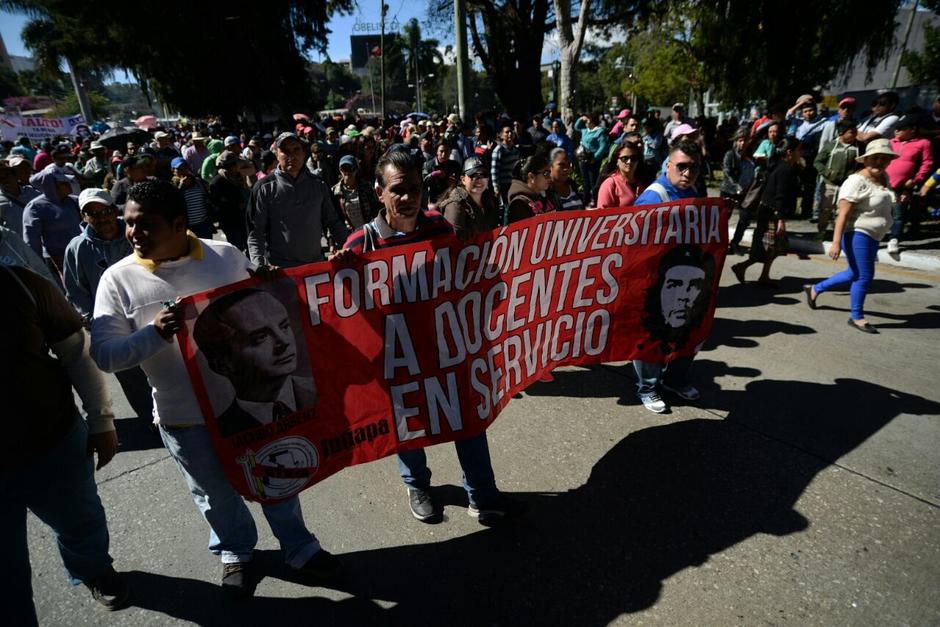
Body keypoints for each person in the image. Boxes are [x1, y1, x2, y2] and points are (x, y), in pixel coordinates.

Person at [89, 178, 339, 598]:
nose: (133, 234)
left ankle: (299, 547)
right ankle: (236, 551)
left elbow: (269, 307)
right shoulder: (117, 281)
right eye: (129, 223)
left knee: (278, 477)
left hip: (257, 412)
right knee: (213, 493)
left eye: (145, 225)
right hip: (183, 416)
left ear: (178, 223)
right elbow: (105, 355)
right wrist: (153, 335)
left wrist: (268, 281)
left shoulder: (225, 257)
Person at [337, 149, 523, 526]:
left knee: (467, 416)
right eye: (398, 190)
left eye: (415, 189)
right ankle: (417, 484)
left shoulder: (440, 229)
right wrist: (341, 276)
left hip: (445, 348)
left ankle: (481, 492)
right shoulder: (360, 245)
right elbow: (344, 311)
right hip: (397, 354)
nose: (408, 198)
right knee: (407, 426)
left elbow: (465, 279)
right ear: (379, 192)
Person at [2, 263, 127, 624]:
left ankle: (94, 570)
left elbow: (76, 352)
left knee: (80, 522)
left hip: (52, 443)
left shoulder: (21, 284)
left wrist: (102, 420)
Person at [63, 188, 154, 422]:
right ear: (84, 217)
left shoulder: (137, 231)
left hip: (150, 312)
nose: (101, 217)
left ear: (115, 210)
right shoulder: (77, 248)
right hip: (113, 325)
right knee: (131, 377)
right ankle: (152, 421)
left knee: (163, 366)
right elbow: (75, 291)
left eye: (104, 210)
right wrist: (95, 319)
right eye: (92, 213)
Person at [631, 138, 704, 414]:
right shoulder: (654, 197)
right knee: (654, 334)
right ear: (668, 165)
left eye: (694, 168)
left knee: (691, 330)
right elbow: (635, 243)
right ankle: (648, 387)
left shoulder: (691, 190)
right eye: (682, 167)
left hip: (688, 276)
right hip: (657, 282)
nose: (688, 173)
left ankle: (674, 380)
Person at [193, 287, 317, 438]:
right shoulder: (224, 431)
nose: (284, 341)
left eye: (284, 326)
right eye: (260, 337)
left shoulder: (325, 391)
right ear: (222, 364)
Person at [805, 139, 898, 333]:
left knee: (853, 273)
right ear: (865, 160)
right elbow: (843, 214)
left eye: (884, 158)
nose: (880, 162)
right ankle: (857, 317)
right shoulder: (856, 181)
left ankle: (815, 289)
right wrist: (836, 242)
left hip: (874, 235)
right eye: (875, 158)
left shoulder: (884, 178)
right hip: (857, 233)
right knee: (864, 276)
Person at [248, 132, 349, 268]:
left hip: (316, 266)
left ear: (303, 153)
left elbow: (334, 222)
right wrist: (260, 266)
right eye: (285, 151)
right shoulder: (263, 188)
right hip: (281, 271)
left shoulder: (319, 185)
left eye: (296, 149)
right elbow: (256, 233)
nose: (292, 156)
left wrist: (349, 248)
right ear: (276, 154)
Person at [731, 137, 802, 287]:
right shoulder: (785, 169)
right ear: (790, 152)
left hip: (766, 211)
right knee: (769, 245)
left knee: (771, 246)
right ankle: (743, 267)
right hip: (772, 213)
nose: (800, 153)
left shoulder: (778, 165)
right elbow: (780, 196)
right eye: (798, 150)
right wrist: (781, 220)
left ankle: (763, 275)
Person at [642, 244, 716, 354]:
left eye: (694, 285)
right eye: (674, 285)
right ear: (659, 289)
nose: (682, 296)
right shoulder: (642, 339)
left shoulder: (696, 335)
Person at [22, 164, 82, 278]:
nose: (68, 184)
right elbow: (32, 242)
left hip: (81, 254)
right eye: (63, 183)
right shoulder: (35, 207)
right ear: (52, 186)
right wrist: (37, 268)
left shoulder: (73, 201)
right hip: (58, 260)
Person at [885, 116, 933, 255]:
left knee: (899, 214)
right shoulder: (889, 142)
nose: (897, 131)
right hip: (884, 183)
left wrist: (915, 180)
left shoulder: (923, 143)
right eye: (896, 129)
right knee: (880, 211)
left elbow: (927, 163)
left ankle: (894, 239)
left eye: (901, 129)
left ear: (912, 130)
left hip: (904, 185)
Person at [813, 120, 860, 234]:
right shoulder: (831, 146)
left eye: (855, 132)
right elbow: (818, 162)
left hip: (847, 186)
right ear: (841, 133)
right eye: (851, 132)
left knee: (842, 211)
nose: (854, 134)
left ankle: (838, 235)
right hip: (829, 185)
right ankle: (821, 233)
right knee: (826, 210)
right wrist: (826, 172)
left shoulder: (858, 147)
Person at [439, 156, 500, 241]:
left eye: (483, 174)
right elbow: (453, 243)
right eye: (473, 175)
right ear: (463, 179)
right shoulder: (455, 205)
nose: (479, 179)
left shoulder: (491, 201)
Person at [723, 129, 756, 254]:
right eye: (740, 140)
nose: (742, 143)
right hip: (730, 191)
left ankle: (735, 243)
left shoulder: (750, 156)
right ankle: (722, 244)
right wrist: (736, 186)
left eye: (745, 140)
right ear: (736, 141)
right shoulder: (730, 154)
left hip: (746, 192)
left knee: (744, 218)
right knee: (724, 218)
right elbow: (727, 172)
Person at [208, 151, 250, 251]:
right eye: (236, 164)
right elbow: (214, 204)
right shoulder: (217, 182)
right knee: (237, 248)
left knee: (249, 245)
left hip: (243, 219)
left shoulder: (239, 177)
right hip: (230, 222)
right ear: (231, 166)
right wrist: (233, 204)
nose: (238, 167)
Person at [332, 154, 381, 230]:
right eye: (344, 168)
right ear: (340, 170)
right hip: (348, 234)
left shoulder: (366, 187)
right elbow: (332, 217)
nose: (347, 172)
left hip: (368, 231)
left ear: (356, 169)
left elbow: (376, 210)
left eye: (351, 168)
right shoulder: (335, 192)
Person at [505, 153, 558, 224]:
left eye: (550, 173)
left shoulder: (548, 194)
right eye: (546, 174)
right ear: (531, 177)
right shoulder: (519, 203)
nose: (550, 178)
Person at [172, 157, 215, 239]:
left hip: (204, 224)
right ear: (173, 171)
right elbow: (174, 202)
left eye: (184, 167)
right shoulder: (173, 186)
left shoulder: (198, 182)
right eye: (179, 169)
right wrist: (181, 186)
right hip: (188, 228)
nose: (183, 171)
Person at [596, 139, 644, 209]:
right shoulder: (610, 184)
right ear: (617, 161)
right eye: (624, 158)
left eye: (633, 158)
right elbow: (603, 215)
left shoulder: (642, 181)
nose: (629, 162)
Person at [574, 114, 608, 205]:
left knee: (593, 180)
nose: (585, 123)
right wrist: (581, 118)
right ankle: (586, 199)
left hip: (593, 160)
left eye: (587, 121)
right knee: (585, 180)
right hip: (582, 159)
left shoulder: (599, 132)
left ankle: (595, 199)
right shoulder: (585, 130)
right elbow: (576, 126)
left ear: (593, 121)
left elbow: (603, 146)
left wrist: (595, 157)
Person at [0, 158, 40, 235]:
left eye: (6, 175)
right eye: (0, 178)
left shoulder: (32, 193)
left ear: (15, 175)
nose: (4, 180)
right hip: (17, 245)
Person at [490, 125, 521, 208]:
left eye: (511, 131)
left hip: (514, 183)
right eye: (507, 132)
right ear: (501, 135)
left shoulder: (515, 150)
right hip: (503, 185)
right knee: (507, 208)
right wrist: (496, 187)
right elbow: (494, 170)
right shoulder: (499, 150)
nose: (510, 134)